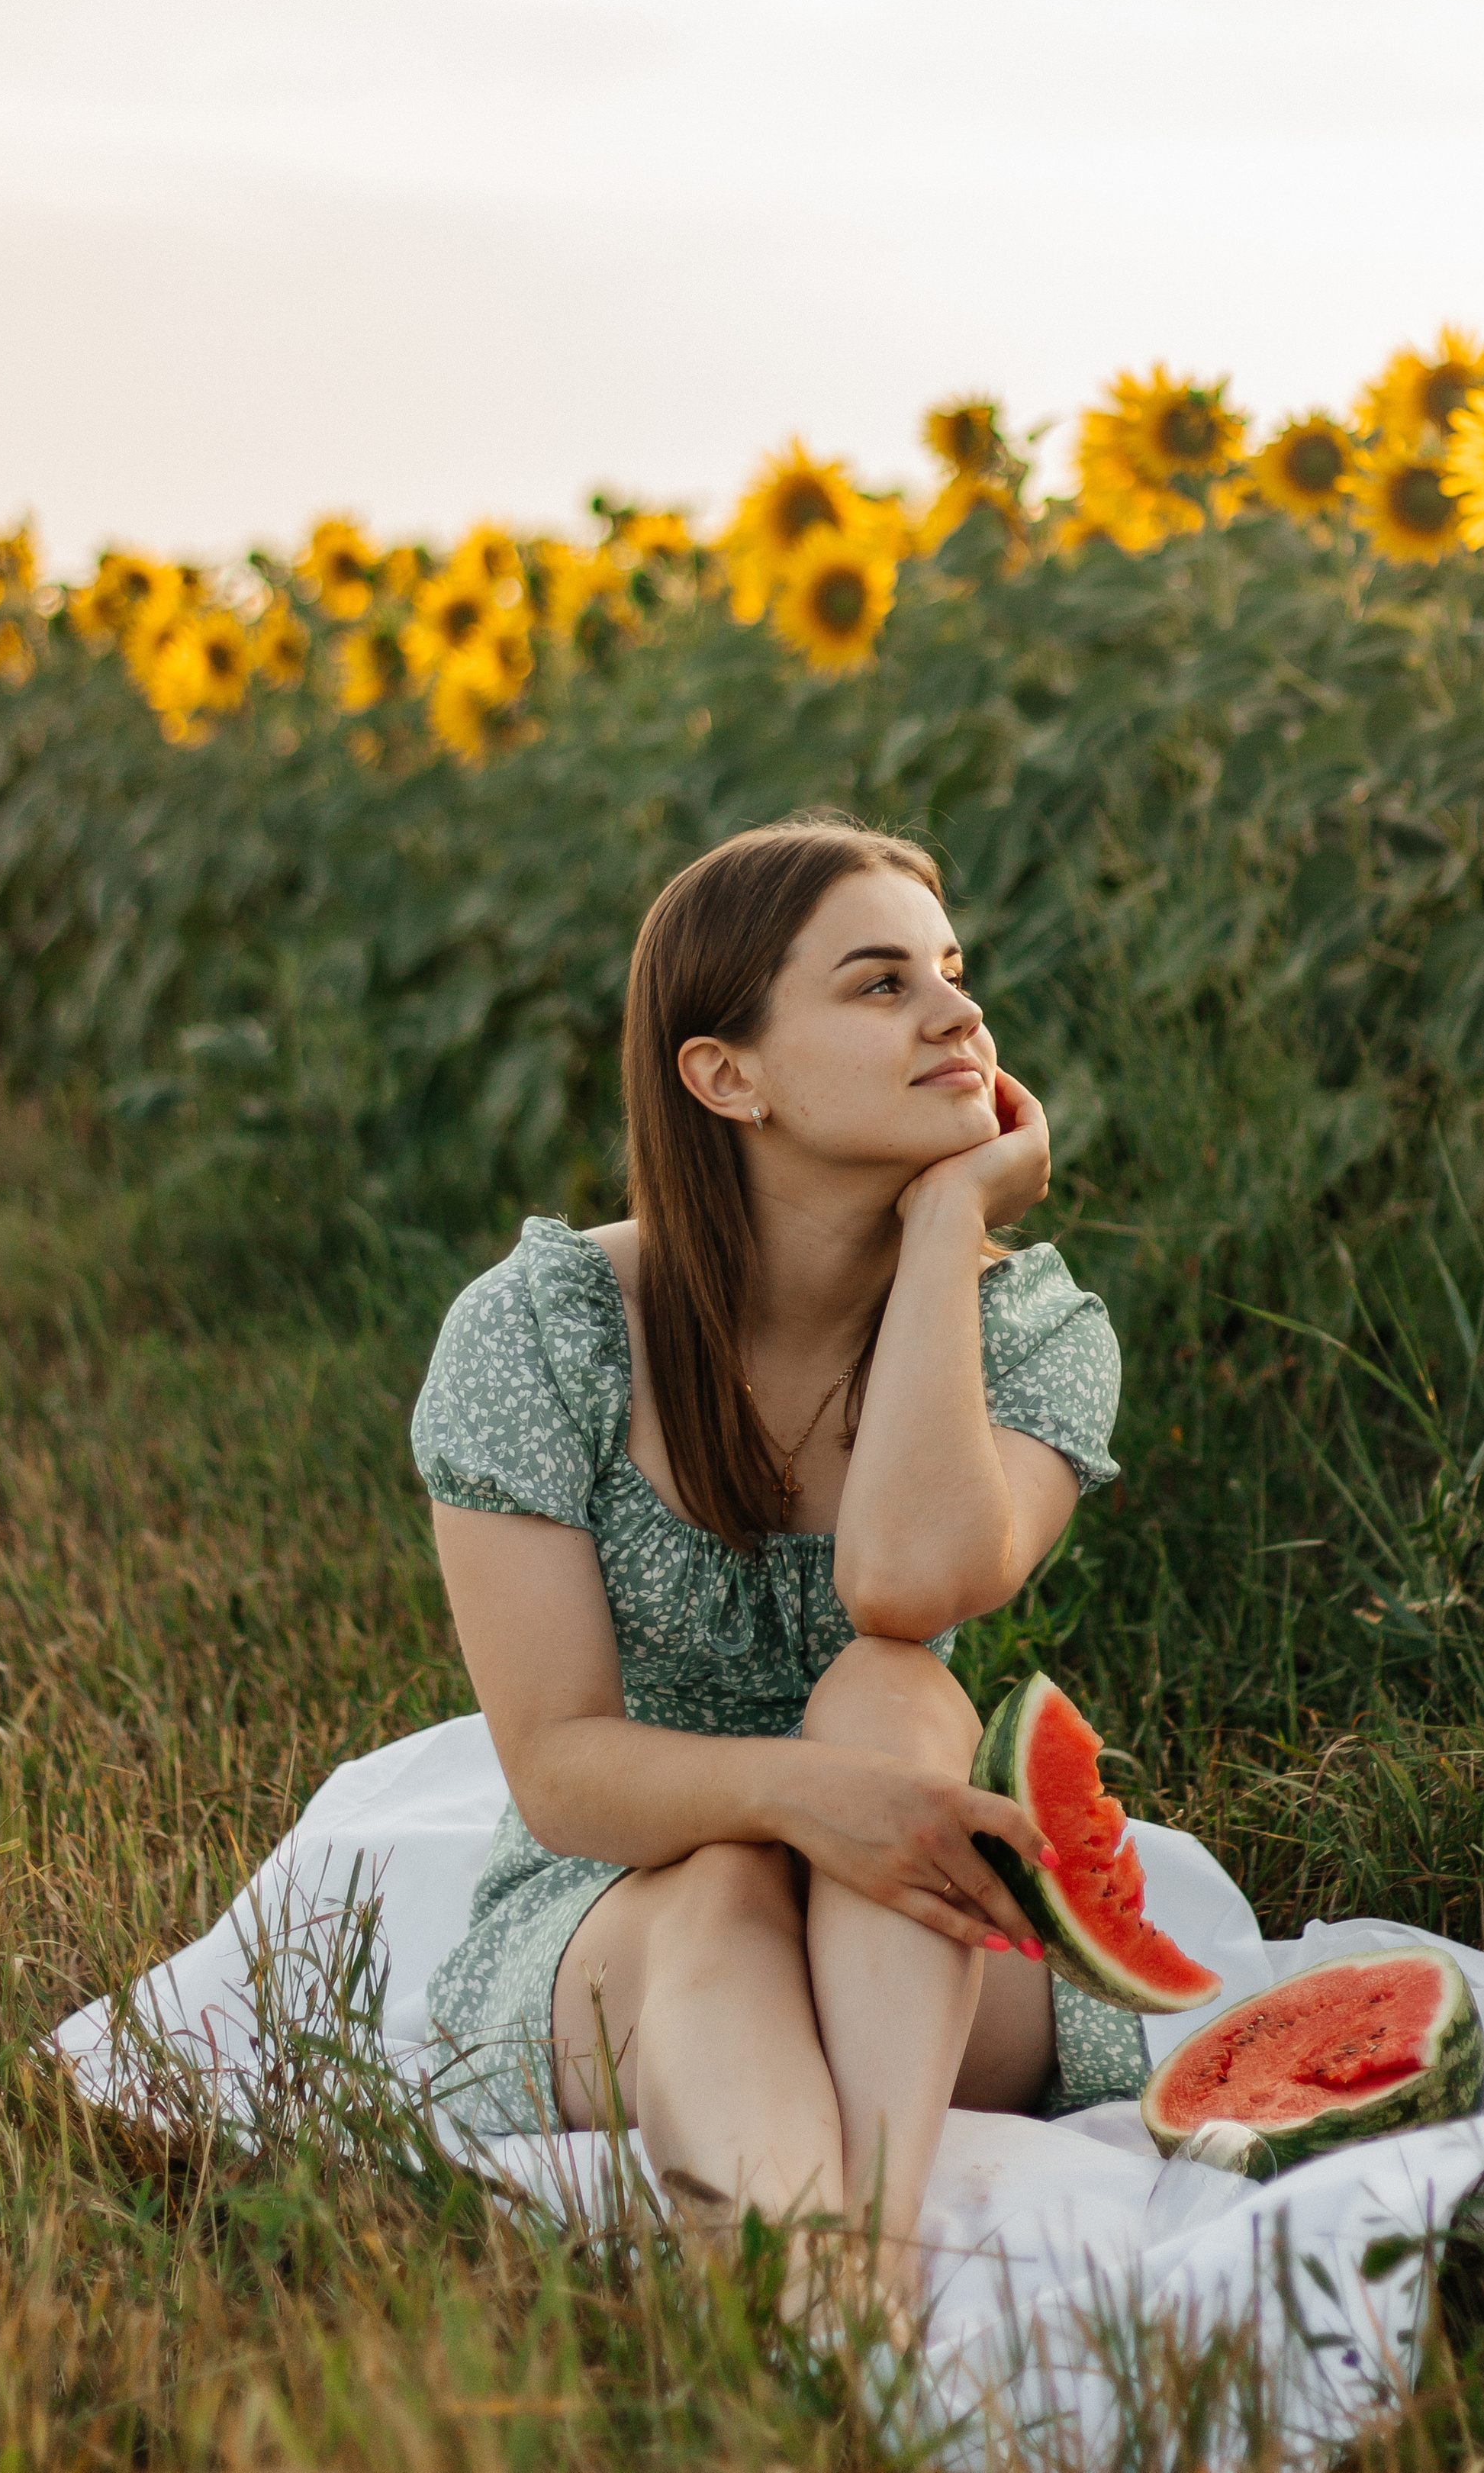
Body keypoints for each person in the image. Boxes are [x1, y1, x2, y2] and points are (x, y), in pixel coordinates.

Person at [411, 814, 1134, 2299]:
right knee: (731, 1882)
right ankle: (842, 2313)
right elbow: (558, 1774)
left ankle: (849, 2268)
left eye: (951, 972)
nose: (956, 1013)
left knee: (888, 1687)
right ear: (723, 1075)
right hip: (631, 1907)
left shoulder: (1035, 1328)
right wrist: (802, 1803)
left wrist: (945, 1229)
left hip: (912, 1919)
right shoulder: (540, 1331)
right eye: (880, 985)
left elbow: (903, 1591)